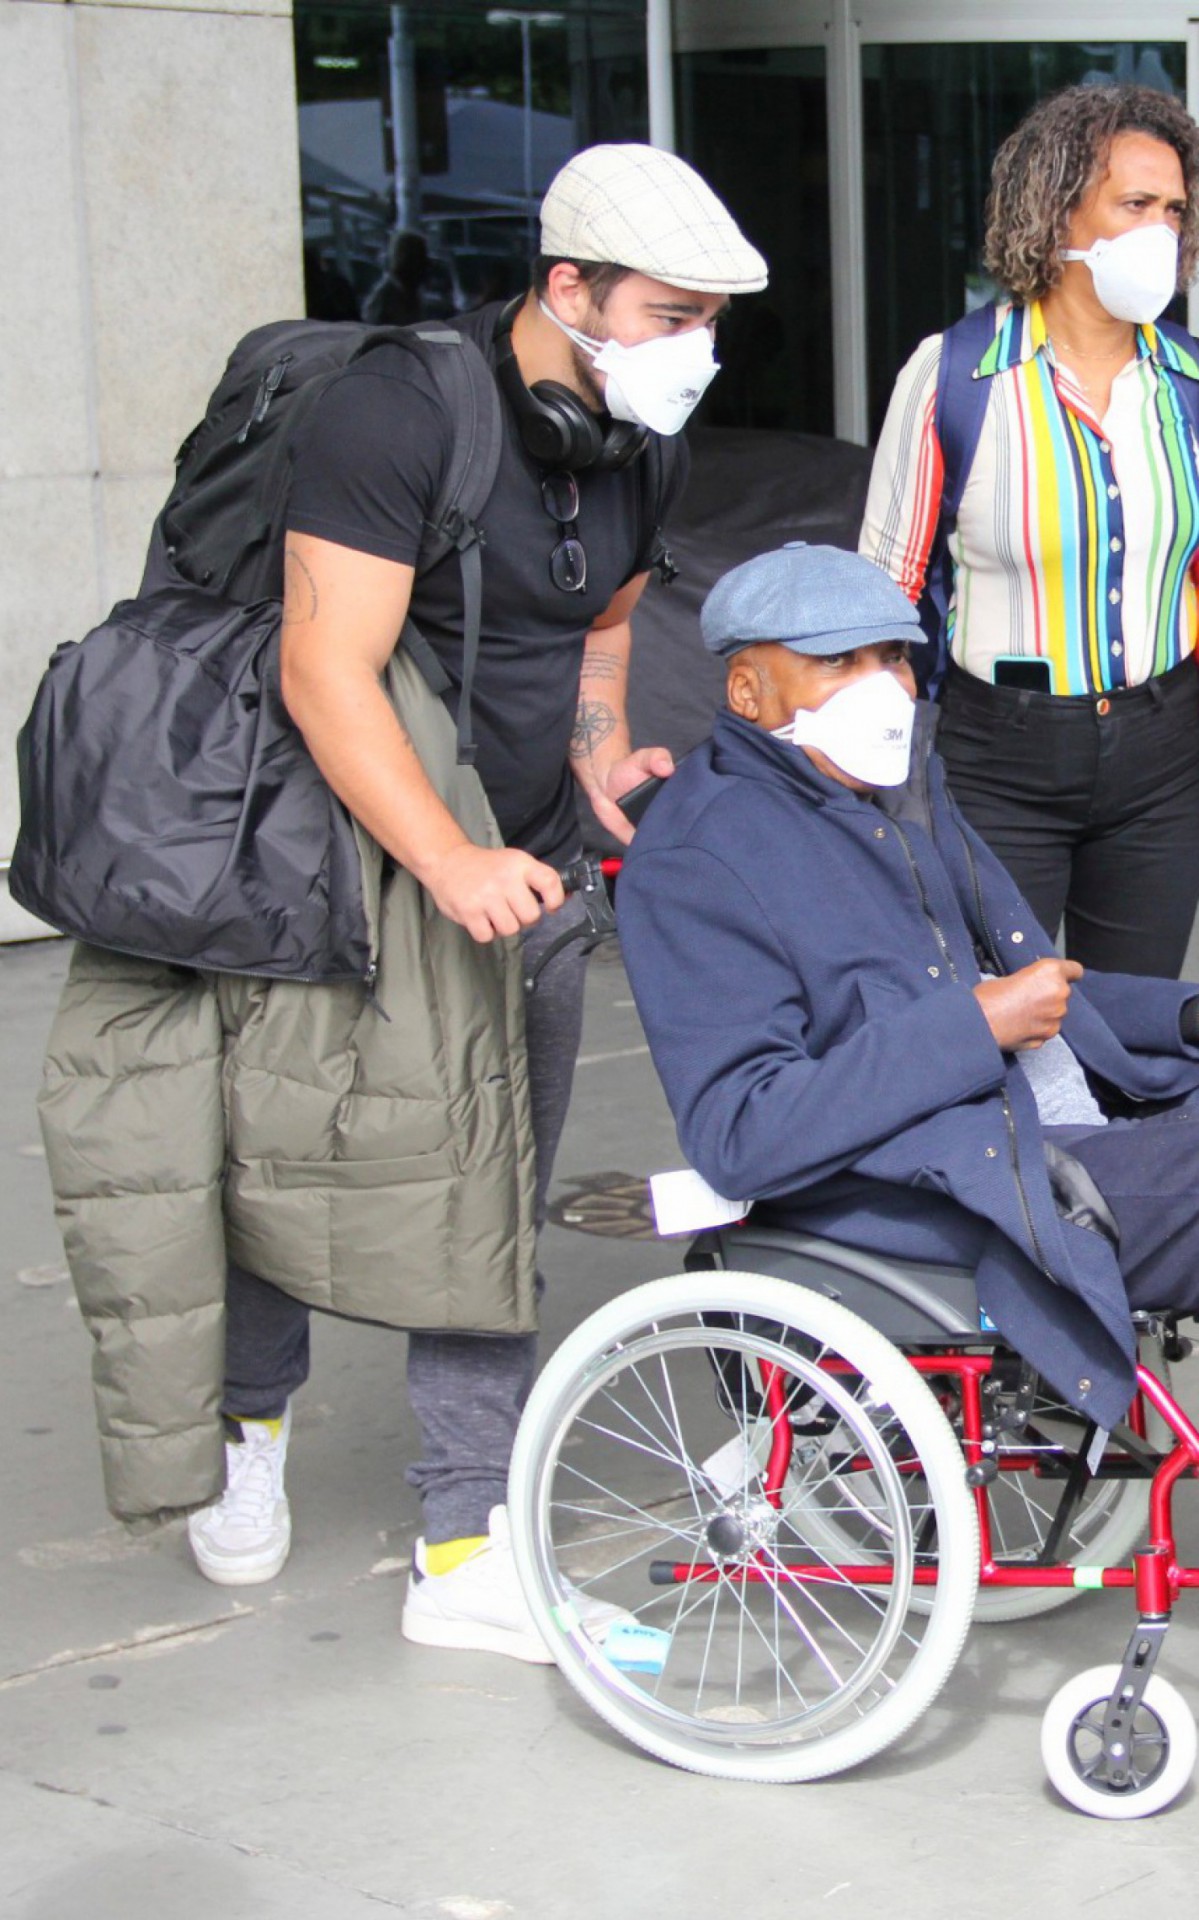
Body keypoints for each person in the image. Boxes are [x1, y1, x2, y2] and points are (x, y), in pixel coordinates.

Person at [38, 145, 767, 1661]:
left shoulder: (641, 443)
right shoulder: (400, 413)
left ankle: (462, 1535)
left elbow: (596, 634)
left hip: (530, 868)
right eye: (670, 313)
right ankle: (249, 1427)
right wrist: (445, 856)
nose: (692, 350)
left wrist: (586, 774)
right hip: (346, 872)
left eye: (711, 320)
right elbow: (324, 665)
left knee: (483, 1194)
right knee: (279, 1173)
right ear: (565, 290)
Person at [617, 543, 1199, 1434]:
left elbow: (1037, 994)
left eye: (890, 655)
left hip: (1036, 1124)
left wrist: (1183, 1013)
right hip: (950, 1179)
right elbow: (739, 1131)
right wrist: (975, 1025)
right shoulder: (702, 854)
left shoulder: (894, 796)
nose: (880, 686)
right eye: (836, 662)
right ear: (747, 690)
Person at [860, 83, 1199, 978]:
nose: (1160, 232)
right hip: (996, 760)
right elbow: (881, 594)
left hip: (1166, 756)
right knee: (1001, 1031)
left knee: (1139, 1031)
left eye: (1173, 210)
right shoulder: (953, 376)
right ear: (1055, 216)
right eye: (1134, 206)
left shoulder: (1188, 386)